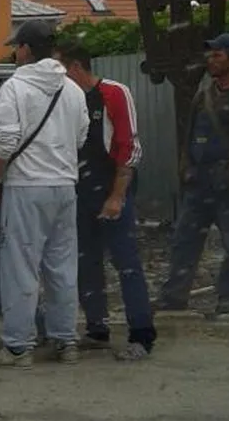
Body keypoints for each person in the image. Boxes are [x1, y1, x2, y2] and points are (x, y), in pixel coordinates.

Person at [0, 19, 90, 369]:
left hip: (26, 186)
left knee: (20, 267)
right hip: (64, 185)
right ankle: (65, 340)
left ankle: (18, 346)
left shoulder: (14, 88)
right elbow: (81, 136)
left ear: (26, 49)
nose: (15, 51)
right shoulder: (72, 89)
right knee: (62, 266)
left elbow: (4, 141)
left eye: (17, 46)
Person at [54, 42, 156, 361]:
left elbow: (129, 146)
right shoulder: (67, 101)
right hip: (80, 190)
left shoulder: (113, 93)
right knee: (86, 261)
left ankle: (141, 333)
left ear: (75, 69)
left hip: (112, 184)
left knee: (125, 261)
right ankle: (97, 327)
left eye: (59, 71)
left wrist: (117, 195)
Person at [153, 33, 229, 318]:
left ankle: (228, 298)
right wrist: (185, 168)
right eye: (210, 55)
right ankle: (174, 296)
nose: (211, 60)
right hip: (198, 183)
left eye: (218, 55)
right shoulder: (203, 96)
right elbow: (189, 136)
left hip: (227, 185)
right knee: (184, 241)